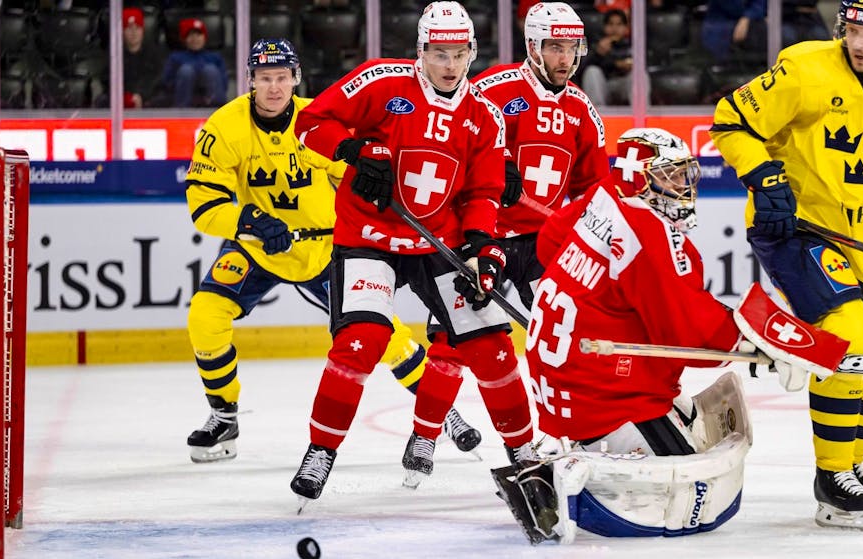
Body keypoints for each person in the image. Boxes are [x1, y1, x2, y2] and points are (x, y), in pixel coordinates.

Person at [494, 128, 820, 544]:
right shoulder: (646, 229)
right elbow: (689, 333)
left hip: (563, 389)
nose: (683, 186)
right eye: (670, 175)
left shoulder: (602, 198)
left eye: (685, 174)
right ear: (641, 178)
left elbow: (550, 243)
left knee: (691, 421)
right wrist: (753, 344)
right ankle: (571, 470)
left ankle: (572, 447)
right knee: (698, 498)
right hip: (603, 399)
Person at [711, 0, 863, 531]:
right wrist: (764, 176)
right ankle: (830, 478)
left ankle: (851, 465)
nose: (860, 42)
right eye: (853, 29)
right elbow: (731, 121)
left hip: (858, 231)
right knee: (849, 331)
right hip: (792, 225)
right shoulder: (804, 66)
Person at [182, 38, 481, 465]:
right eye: (264, 78)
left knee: (383, 336)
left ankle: (442, 411)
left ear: (295, 79)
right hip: (257, 247)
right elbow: (204, 205)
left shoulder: (315, 120)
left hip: (325, 247)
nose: (273, 88)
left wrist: (373, 189)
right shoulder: (223, 128)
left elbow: (355, 178)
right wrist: (249, 221)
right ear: (250, 81)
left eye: (281, 78)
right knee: (205, 316)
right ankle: (223, 415)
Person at [288, 1, 538, 508]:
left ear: (472, 52)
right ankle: (320, 451)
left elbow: (484, 193)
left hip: (438, 243)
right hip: (369, 235)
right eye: (438, 53)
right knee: (362, 339)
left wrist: (483, 250)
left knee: (491, 348)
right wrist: (352, 151)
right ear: (420, 51)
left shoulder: (485, 117)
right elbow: (312, 123)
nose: (449, 65)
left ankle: (524, 453)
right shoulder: (381, 82)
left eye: (459, 54)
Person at [417, 1, 610, 439]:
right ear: (533, 47)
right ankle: (425, 433)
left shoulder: (582, 110)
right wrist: (491, 162)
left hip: (544, 241)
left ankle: (577, 428)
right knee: (453, 343)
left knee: (569, 335)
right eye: (555, 47)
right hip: (483, 236)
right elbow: (449, 134)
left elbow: (594, 190)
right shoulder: (493, 88)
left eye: (572, 47)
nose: (565, 58)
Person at [159, 17, 227, 108]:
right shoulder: (175, 58)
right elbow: (167, 84)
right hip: (182, 106)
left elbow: (224, 84)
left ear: (204, 37)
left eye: (198, 35)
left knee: (210, 70)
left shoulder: (215, 58)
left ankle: (218, 110)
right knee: (186, 71)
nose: (195, 39)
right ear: (184, 39)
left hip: (212, 107)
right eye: (191, 35)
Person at [580, 9, 632, 106]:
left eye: (619, 24)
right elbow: (582, 68)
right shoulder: (597, 42)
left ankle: (643, 117)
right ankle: (597, 117)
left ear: (626, 28)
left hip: (624, 84)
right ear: (604, 27)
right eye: (610, 24)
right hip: (603, 85)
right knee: (592, 71)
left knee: (639, 75)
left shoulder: (632, 44)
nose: (614, 28)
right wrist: (598, 53)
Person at [122, 7, 167, 109]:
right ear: (123, 32)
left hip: (149, 97)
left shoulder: (155, 53)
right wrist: (127, 97)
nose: (134, 33)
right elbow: (108, 79)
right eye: (129, 28)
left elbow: (156, 79)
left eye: (137, 28)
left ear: (142, 30)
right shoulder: (116, 55)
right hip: (124, 99)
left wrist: (140, 95)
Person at [701, 0, 767, 64]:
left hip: (747, 25)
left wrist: (747, 18)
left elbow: (760, 5)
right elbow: (735, 8)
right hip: (719, 28)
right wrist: (747, 17)